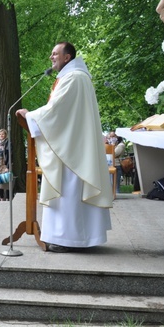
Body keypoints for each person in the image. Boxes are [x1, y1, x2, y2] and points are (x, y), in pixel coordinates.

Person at [16, 42, 113, 252]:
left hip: (72, 149)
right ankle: (77, 238)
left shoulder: (74, 77)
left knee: (68, 191)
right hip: (73, 142)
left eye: (55, 53)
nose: (51, 57)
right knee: (70, 192)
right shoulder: (75, 76)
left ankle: (67, 240)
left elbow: (56, 110)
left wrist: (30, 116)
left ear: (67, 57)